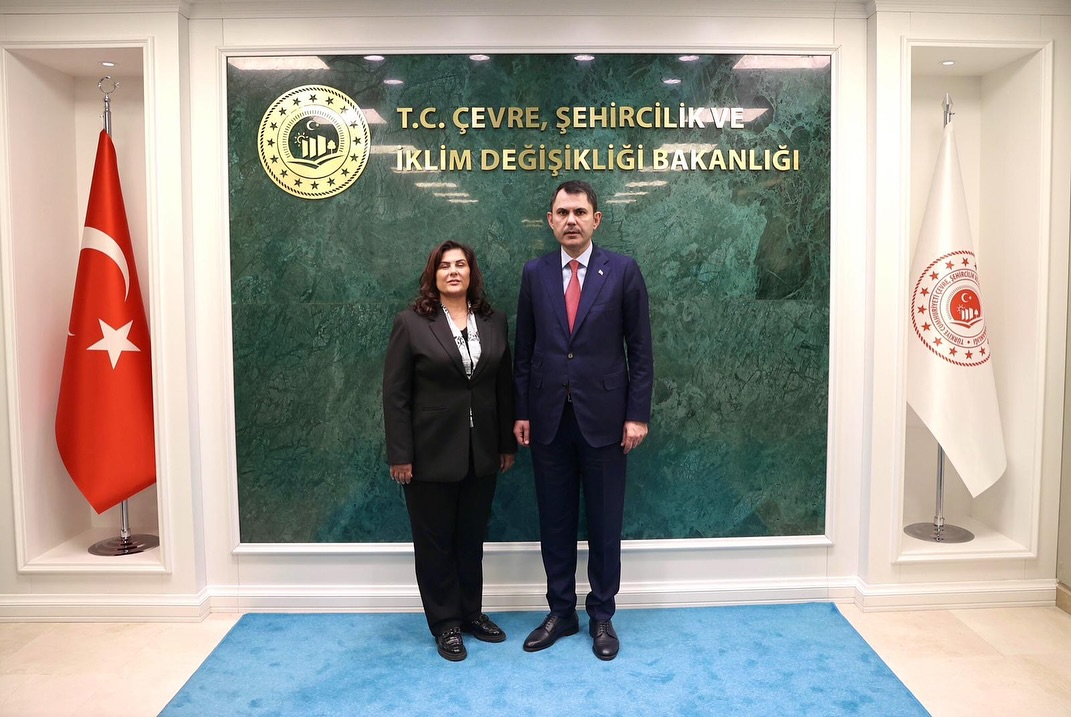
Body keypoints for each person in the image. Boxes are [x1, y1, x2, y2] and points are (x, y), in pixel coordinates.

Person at [513, 180, 654, 661]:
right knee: (554, 521)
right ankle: (561, 612)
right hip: (548, 419)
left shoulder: (623, 270)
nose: (570, 220)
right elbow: (525, 351)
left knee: (605, 522)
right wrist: (522, 410)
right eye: (562, 213)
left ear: (596, 219)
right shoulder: (535, 273)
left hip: (607, 421)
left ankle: (602, 616)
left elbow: (640, 350)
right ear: (550, 221)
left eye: (579, 212)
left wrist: (636, 415)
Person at [383, 240, 517, 662]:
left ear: (472, 273)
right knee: (435, 543)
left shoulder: (494, 321)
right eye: (445, 266)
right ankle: (445, 624)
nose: (453, 271)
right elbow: (395, 395)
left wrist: (505, 444)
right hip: (428, 455)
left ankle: (471, 613)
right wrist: (400, 454)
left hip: (482, 453)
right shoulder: (411, 323)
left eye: (461, 264)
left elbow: (503, 387)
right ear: (433, 275)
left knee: (470, 540)